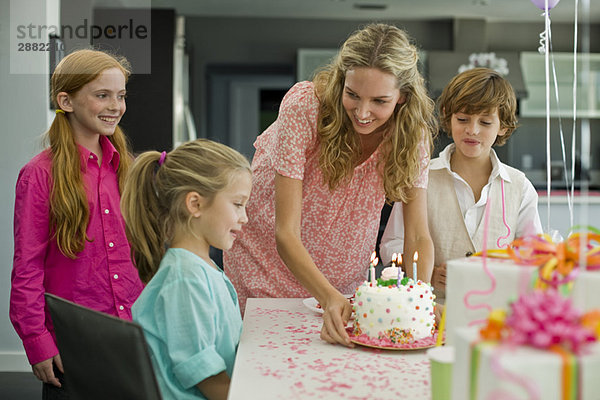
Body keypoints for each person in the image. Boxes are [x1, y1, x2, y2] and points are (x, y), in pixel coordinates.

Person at [223, 23, 438, 347]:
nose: (362, 113)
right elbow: (285, 233)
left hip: (344, 276)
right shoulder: (305, 108)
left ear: (402, 97)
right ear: (341, 81)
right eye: (352, 94)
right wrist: (328, 296)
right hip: (267, 263)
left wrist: (422, 302)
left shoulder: (411, 134)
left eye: (379, 100)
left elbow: (418, 235)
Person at [9, 49, 144, 398]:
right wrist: (37, 342)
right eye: (102, 95)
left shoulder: (126, 166)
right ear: (65, 100)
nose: (116, 106)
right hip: (72, 344)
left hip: (131, 334)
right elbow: (27, 268)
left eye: (121, 95)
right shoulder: (39, 175)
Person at [380, 67, 543, 302]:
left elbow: (533, 254)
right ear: (448, 116)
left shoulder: (520, 187)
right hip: (431, 312)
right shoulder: (421, 176)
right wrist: (425, 273)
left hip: (497, 314)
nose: (472, 130)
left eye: (485, 122)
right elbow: (392, 243)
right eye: (463, 119)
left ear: (503, 126)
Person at [122, 139, 252, 400]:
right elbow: (209, 380)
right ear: (195, 204)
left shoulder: (199, 267)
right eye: (238, 204)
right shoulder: (185, 279)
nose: (244, 217)